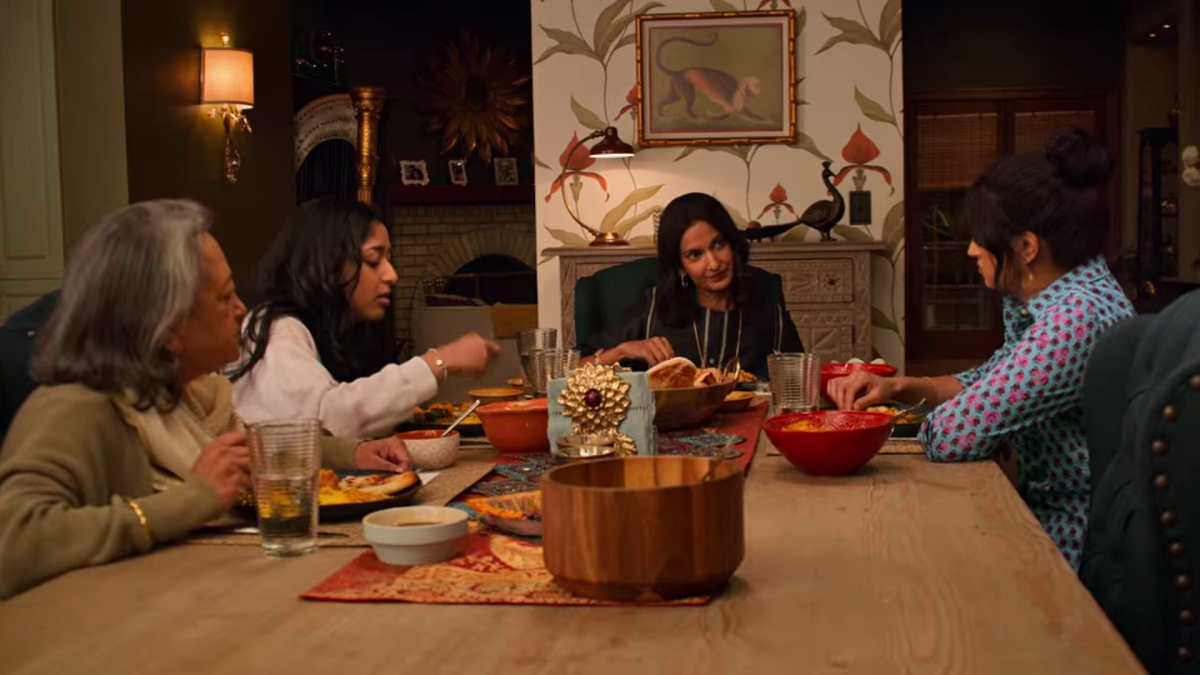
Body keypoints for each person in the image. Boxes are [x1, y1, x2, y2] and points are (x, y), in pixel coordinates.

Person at [0, 200, 412, 598]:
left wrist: (353, 452)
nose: (240, 309)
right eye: (224, 298)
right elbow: (14, 543)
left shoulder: (187, 395)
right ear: (167, 326)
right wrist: (194, 499)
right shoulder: (79, 405)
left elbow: (255, 449)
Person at [828, 127, 1135, 571]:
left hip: (1077, 533)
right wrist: (903, 386)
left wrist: (985, 422)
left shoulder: (1075, 320)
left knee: (903, 556)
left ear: (1026, 247)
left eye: (980, 237)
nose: (971, 249)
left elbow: (955, 435)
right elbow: (992, 379)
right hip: (1048, 509)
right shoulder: (1067, 292)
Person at [229, 198, 501, 439]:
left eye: (389, 260)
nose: (391, 275)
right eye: (374, 261)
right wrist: (440, 361)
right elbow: (325, 422)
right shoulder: (276, 329)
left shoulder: (335, 330)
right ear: (329, 265)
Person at [579, 192, 803, 379]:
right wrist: (622, 351)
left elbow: (801, 379)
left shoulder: (766, 308)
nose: (714, 263)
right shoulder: (653, 308)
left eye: (718, 244)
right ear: (680, 265)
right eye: (695, 255)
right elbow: (572, 369)